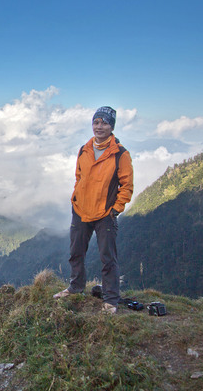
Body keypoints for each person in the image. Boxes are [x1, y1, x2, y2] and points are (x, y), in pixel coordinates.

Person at [53, 106, 134, 314]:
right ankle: (76, 287)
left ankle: (110, 300)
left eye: (104, 122)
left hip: (104, 214)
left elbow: (127, 185)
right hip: (80, 210)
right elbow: (79, 177)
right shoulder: (84, 149)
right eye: (96, 122)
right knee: (76, 252)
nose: (99, 126)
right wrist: (75, 197)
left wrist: (115, 210)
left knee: (108, 257)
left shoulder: (120, 154)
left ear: (111, 126)